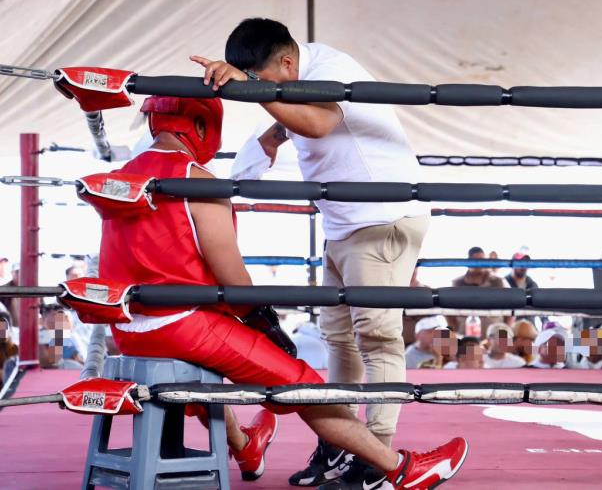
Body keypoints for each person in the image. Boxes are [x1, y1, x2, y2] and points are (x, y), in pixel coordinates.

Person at [98, 95, 466, 489]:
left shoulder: (121, 180)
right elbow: (235, 286)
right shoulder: (198, 183)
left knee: (203, 371)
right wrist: (264, 322)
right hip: (184, 327)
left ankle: (245, 446)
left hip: (127, 329)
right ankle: (399, 468)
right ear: (202, 126)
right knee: (302, 383)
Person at [192, 18, 434, 488]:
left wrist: (256, 91)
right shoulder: (291, 80)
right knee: (338, 337)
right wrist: (261, 150)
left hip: (382, 218)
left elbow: (320, 122)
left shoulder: (330, 68)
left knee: (377, 336)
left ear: (286, 61)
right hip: (343, 222)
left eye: (262, 81)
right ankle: (342, 444)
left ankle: (375, 456)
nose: (258, 91)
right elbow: (288, 125)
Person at [450, 247, 506, 335]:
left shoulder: (498, 282)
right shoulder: (457, 283)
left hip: (495, 336)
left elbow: (511, 306)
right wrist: (455, 332)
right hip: (466, 337)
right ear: (468, 262)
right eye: (477, 260)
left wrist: (505, 331)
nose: (480, 264)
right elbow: (448, 310)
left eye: (483, 260)